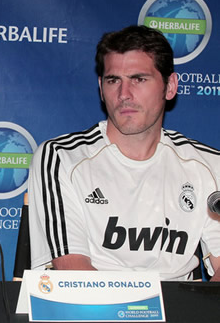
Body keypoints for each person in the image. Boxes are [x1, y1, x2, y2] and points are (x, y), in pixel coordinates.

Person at [28, 25, 220, 281]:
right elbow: (73, 272)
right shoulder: (61, 158)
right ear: (101, 87)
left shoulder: (208, 165)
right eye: (113, 80)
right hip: (92, 314)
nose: (124, 95)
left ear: (170, 86)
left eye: (139, 79)